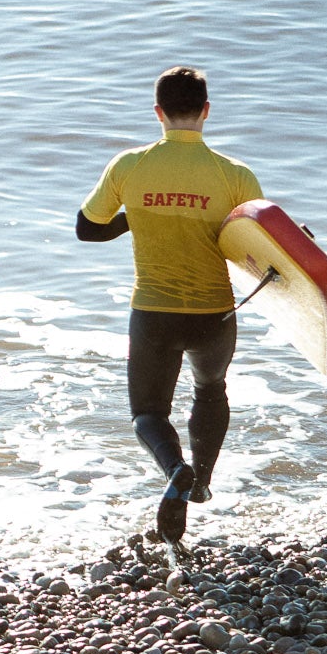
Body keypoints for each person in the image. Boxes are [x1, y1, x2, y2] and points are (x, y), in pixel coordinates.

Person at [76, 66, 260, 543]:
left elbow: (87, 228)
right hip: (214, 315)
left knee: (148, 414)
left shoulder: (129, 166)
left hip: (154, 313)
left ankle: (174, 470)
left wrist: (132, 220)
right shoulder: (235, 174)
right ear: (206, 111)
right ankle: (201, 483)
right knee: (211, 389)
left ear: (157, 112)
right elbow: (257, 251)